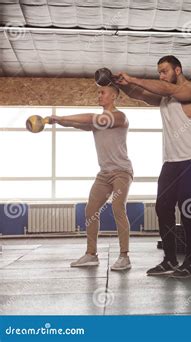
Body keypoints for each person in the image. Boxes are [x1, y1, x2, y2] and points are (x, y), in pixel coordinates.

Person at [116, 55, 191, 279]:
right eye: (159, 72)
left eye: (164, 71)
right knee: (163, 207)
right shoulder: (166, 99)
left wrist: (133, 78)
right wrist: (122, 85)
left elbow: (164, 88)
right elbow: (140, 94)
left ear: (177, 70)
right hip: (171, 162)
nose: (161, 75)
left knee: (188, 209)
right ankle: (170, 259)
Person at [51, 85, 134, 271]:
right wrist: (56, 121)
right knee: (91, 210)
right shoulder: (98, 122)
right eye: (98, 92)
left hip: (122, 171)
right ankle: (91, 254)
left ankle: (124, 256)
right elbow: (78, 123)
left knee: (117, 207)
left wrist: (61, 117)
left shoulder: (120, 117)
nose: (99, 95)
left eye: (102, 92)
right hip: (104, 174)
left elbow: (90, 118)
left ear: (113, 96)